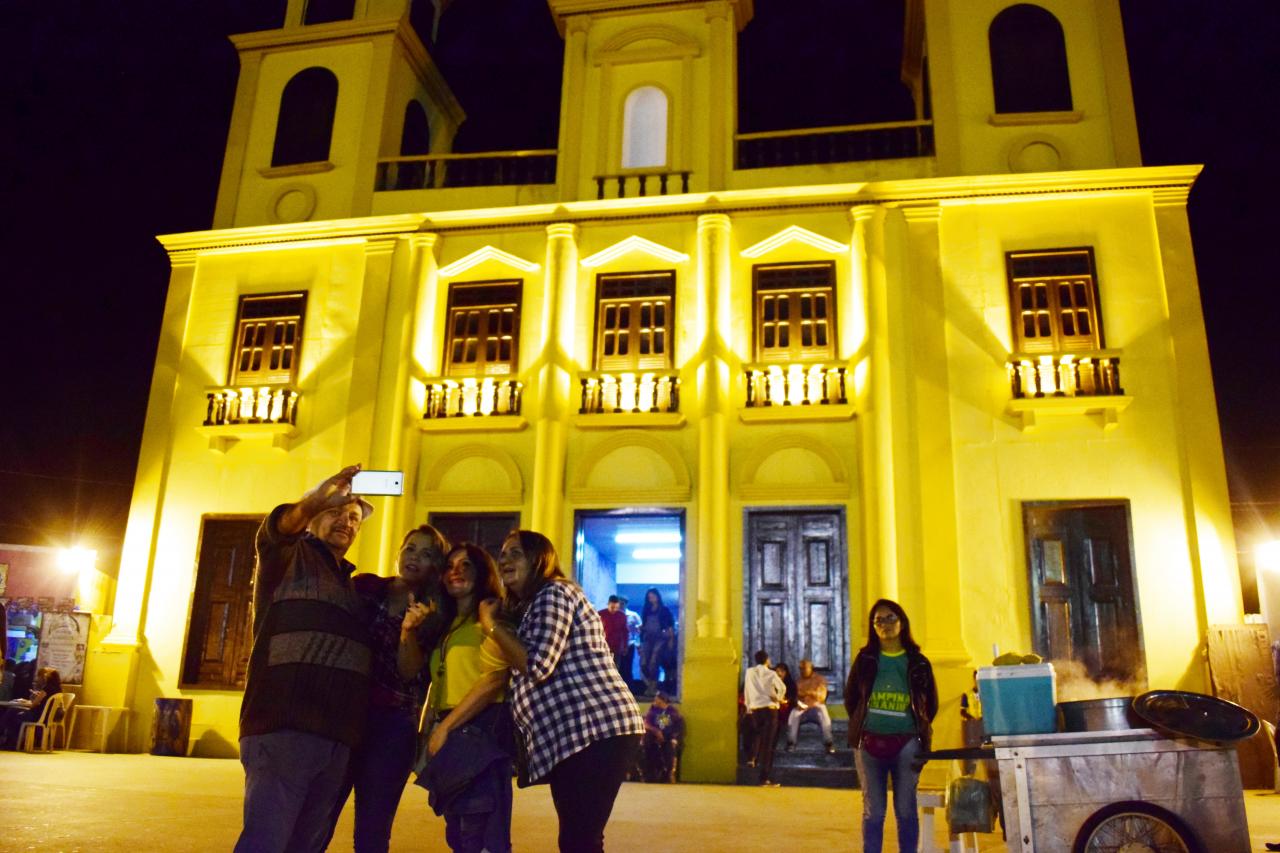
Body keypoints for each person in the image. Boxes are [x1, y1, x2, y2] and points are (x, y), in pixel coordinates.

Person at [235, 464, 375, 853]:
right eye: (335, 512)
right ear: (312, 518)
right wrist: (318, 497)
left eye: (353, 518)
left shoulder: (351, 586)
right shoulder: (289, 558)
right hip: (285, 727)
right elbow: (278, 529)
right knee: (266, 842)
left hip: (334, 738)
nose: (345, 522)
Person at [478, 530, 644, 853]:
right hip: (577, 735)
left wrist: (491, 626)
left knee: (579, 839)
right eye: (502, 553)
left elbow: (537, 664)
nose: (504, 560)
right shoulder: (534, 604)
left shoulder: (554, 593)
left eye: (515, 553)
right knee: (578, 838)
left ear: (539, 559)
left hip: (596, 731)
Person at [326, 523, 452, 852]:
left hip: (393, 725)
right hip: (344, 714)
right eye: (410, 548)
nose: (414, 558)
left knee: (373, 828)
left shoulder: (435, 614)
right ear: (398, 552)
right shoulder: (365, 587)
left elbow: (409, 673)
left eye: (426, 554)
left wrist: (409, 631)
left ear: (435, 567)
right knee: (318, 815)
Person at [418, 542, 515, 853]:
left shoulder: (492, 618)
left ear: (483, 573)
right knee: (458, 831)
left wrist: (445, 728)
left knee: (480, 830)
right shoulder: (446, 625)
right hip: (452, 728)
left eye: (466, 565)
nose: (455, 571)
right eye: (449, 566)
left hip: (480, 728)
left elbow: (493, 680)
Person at [844, 599, 938, 853]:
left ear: (902, 622)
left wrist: (916, 729)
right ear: (873, 627)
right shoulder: (865, 659)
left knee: (906, 810)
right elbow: (852, 697)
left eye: (890, 618)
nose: (885, 624)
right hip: (868, 743)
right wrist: (864, 724)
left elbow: (930, 703)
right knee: (873, 812)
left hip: (906, 743)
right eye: (879, 620)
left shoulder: (917, 661)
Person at [742, 649, 786, 787]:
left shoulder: (749, 672)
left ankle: (753, 760)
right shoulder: (771, 673)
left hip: (755, 710)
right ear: (767, 660)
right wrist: (778, 699)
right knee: (768, 744)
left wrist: (748, 707)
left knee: (758, 738)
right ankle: (764, 777)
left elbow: (746, 691)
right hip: (769, 710)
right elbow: (782, 688)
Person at [0, 665, 61, 749]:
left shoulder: (46, 689)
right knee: (14, 713)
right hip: (46, 718)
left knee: (12, 713)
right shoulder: (58, 690)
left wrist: (33, 697)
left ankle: (7, 739)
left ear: (45, 677)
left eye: (39, 676)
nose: (37, 678)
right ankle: (14, 741)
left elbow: (33, 705)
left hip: (37, 717)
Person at [787, 659, 835, 754]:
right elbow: (796, 695)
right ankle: (791, 743)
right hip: (803, 707)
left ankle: (829, 743)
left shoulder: (820, 679)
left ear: (811, 668)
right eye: (800, 668)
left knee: (823, 712)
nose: (802, 670)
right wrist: (805, 697)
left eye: (804, 668)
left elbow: (821, 696)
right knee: (794, 713)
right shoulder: (798, 681)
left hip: (816, 706)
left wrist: (806, 693)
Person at [638, 587, 675, 696]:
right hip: (647, 638)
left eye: (653, 596)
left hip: (660, 638)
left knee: (654, 662)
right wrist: (640, 639)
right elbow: (644, 625)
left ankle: (652, 687)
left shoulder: (664, 610)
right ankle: (651, 684)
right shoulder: (646, 610)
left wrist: (671, 640)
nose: (651, 599)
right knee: (644, 663)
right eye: (649, 597)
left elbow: (670, 626)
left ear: (658, 596)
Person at [642, 692, 684, 783]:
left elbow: (674, 727)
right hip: (654, 738)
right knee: (648, 746)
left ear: (662, 700)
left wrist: (670, 737)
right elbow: (646, 724)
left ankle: (668, 775)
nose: (654, 701)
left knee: (669, 748)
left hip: (668, 738)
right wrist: (656, 731)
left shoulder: (672, 712)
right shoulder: (653, 710)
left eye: (657, 699)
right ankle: (651, 775)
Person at [598, 595, 629, 680]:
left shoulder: (622, 616)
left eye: (616, 607)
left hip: (617, 646)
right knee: (603, 666)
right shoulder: (600, 614)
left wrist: (625, 646)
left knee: (615, 667)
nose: (613, 609)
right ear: (608, 604)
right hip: (603, 645)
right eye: (612, 607)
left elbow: (625, 632)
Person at [773, 661, 798, 740]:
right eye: (777, 671)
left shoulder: (790, 684)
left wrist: (785, 700)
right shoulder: (771, 682)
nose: (779, 674)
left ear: (786, 673)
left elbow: (792, 698)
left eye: (782, 671)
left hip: (786, 707)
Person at [621, 596, 642, 689]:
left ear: (626, 604)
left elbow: (639, 631)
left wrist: (638, 644)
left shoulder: (633, 615)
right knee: (618, 667)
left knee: (628, 666)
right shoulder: (614, 615)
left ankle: (630, 687)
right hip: (617, 645)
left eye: (622, 603)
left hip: (630, 644)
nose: (621, 605)